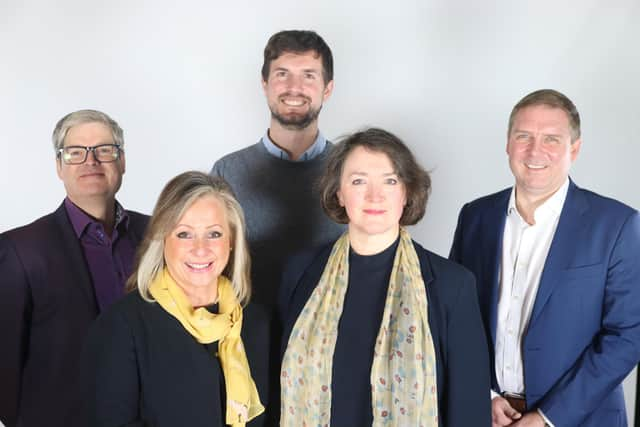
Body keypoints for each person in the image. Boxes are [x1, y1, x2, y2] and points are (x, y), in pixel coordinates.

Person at [450, 89, 640, 427]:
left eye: (552, 139)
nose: (535, 150)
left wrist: (547, 418)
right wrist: (485, 395)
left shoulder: (617, 225)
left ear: (574, 149)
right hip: (487, 417)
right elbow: (456, 320)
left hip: (579, 419)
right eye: (524, 136)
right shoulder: (475, 217)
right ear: (508, 144)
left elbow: (627, 336)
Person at [279, 128, 491, 426]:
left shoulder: (451, 285)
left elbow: (468, 411)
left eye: (390, 181)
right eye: (358, 181)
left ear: (406, 192)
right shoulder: (300, 273)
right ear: (339, 192)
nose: (374, 195)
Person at [81, 171, 269, 427]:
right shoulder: (122, 326)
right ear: (162, 239)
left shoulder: (258, 322)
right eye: (184, 234)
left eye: (214, 234)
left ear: (232, 240)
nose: (200, 248)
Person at [0, 110, 148, 427]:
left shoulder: (157, 235)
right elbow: (5, 363)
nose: (90, 161)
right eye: (75, 152)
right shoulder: (20, 249)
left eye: (104, 150)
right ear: (59, 166)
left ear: (122, 162)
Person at [211, 30, 344, 309]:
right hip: (247, 336)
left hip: (332, 336)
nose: (294, 87)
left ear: (327, 89)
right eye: (282, 74)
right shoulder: (227, 173)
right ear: (265, 83)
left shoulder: (351, 171)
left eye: (308, 75)